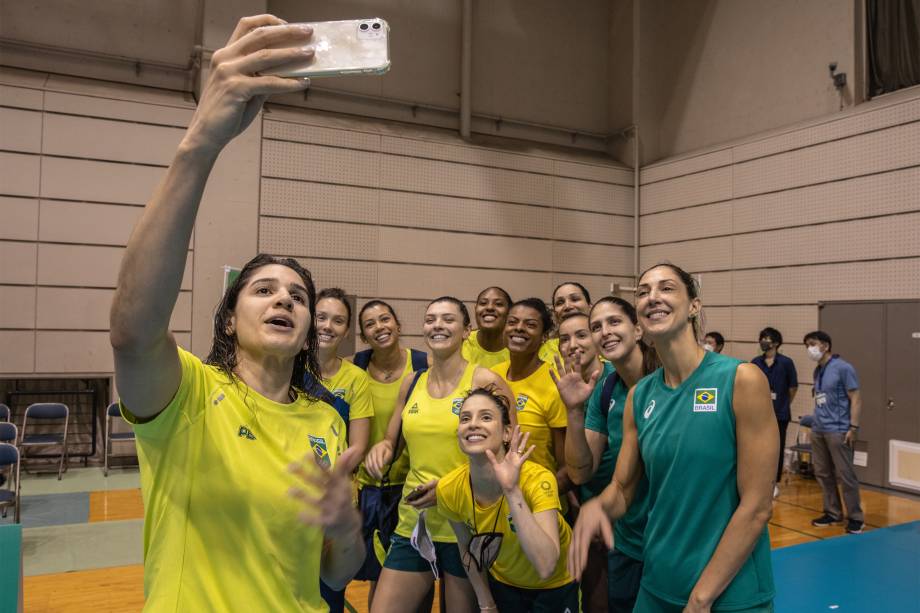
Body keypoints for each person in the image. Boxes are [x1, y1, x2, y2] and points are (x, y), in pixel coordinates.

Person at [109, 16, 363, 610]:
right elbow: (132, 331)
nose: (284, 301)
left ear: (307, 334)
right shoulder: (190, 397)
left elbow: (338, 572)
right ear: (228, 320)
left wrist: (347, 528)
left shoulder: (326, 423)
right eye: (264, 291)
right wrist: (201, 141)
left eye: (298, 296)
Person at [570, 263, 777, 612]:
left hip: (727, 594)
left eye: (666, 288)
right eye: (643, 291)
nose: (653, 297)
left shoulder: (742, 380)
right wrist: (598, 507)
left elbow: (756, 507)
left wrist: (702, 597)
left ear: (693, 306)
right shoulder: (641, 396)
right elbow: (623, 488)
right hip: (658, 585)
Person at [363, 297, 513, 612]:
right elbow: (392, 440)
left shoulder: (484, 382)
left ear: (466, 330)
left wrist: (447, 489)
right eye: (431, 319)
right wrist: (382, 449)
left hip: (467, 524)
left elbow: (510, 457)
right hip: (414, 522)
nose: (438, 326)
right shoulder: (412, 382)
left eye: (448, 319)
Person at [553, 297, 658, 612]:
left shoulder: (668, 381)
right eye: (596, 326)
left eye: (614, 322)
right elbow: (582, 472)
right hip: (626, 540)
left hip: (670, 542)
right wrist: (573, 411)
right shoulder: (605, 388)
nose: (605, 332)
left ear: (638, 329)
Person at [437, 387, 579, 612]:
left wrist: (512, 490)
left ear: (506, 433)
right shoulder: (448, 489)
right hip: (502, 584)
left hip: (556, 586)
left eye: (486, 417)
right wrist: (486, 604)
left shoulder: (538, 479)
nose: (473, 424)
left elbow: (546, 566)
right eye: (465, 418)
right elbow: (468, 551)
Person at [349, 299, 429, 609]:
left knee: (417, 572)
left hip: (413, 489)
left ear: (397, 324)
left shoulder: (422, 366)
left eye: (385, 319)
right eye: (370, 324)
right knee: (379, 577)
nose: (379, 327)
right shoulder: (353, 368)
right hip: (369, 489)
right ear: (363, 335)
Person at [310, 288, 374, 612]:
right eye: (321, 317)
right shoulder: (287, 367)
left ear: (347, 330)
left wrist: (329, 478)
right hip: (293, 495)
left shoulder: (356, 380)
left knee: (330, 592)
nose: (328, 326)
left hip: (336, 501)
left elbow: (358, 446)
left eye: (338, 321)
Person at [491, 299, 571, 498]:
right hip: (492, 502)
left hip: (536, 501)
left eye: (530, 325)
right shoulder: (490, 377)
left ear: (544, 337)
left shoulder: (555, 384)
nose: (519, 328)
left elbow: (566, 468)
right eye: (512, 322)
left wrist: (534, 499)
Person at [803, 330, 864, 534]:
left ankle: (855, 517)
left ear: (826, 346)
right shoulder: (818, 371)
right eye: (807, 345)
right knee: (822, 473)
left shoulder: (843, 368)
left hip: (838, 430)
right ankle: (832, 512)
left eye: (813, 343)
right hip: (819, 429)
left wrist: (853, 427)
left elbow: (855, 398)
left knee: (846, 475)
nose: (809, 349)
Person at [751, 327, 798, 498]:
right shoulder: (756, 362)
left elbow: (793, 388)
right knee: (756, 448)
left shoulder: (786, 363)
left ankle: (774, 482)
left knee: (776, 449)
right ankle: (757, 481)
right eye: (762, 337)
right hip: (757, 414)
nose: (764, 341)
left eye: (767, 338)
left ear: (776, 343)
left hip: (780, 414)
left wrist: (783, 403)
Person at [540, 282, 592, 363]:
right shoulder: (542, 351)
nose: (567, 306)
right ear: (555, 314)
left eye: (575, 299)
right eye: (560, 303)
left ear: (590, 307)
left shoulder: (607, 344)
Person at [462, 286, 512, 368]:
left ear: (509, 311)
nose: (489, 307)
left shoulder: (518, 348)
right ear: (475, 309)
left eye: (498, 304)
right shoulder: (461, 342)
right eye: (483, 303)